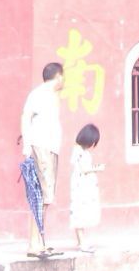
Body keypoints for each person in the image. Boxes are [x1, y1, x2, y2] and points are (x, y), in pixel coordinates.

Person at [20, 62, 65, 258]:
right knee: (41, 197)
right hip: (42, 148)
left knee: (46, 197)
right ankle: (33, 243)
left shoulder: (52, 96)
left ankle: (40, 241)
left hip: (50, 149)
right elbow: (26, 118)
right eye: (63, 77)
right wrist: (27, 146)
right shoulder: (39, 94)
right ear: (58, 76)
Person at [67, 123, 103, 253]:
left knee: (79, 212)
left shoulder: (78, 150)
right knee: (80, 212)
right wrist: (97, 169)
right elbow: (84, 169)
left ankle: (80, 241)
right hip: (81, 186)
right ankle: (82, 243)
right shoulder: (80, 152)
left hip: (80, 184)